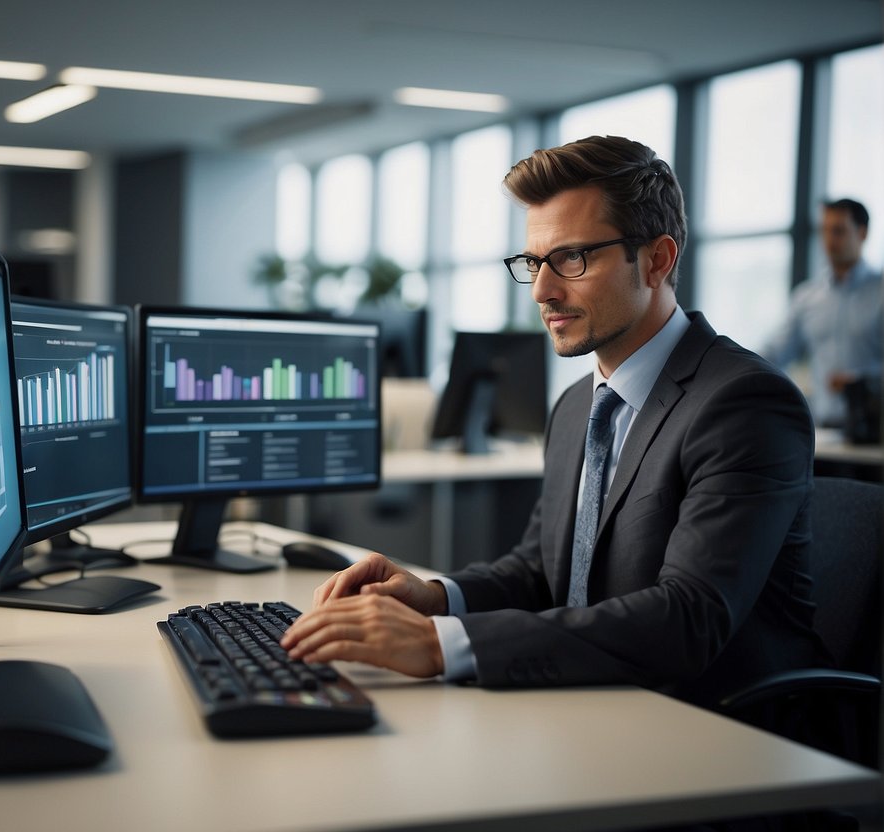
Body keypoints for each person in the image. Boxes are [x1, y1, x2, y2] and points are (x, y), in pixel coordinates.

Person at [282, 135, 829, 710]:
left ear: (657, 260)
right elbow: (544, 572)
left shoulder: (744, 402)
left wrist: (442, 644)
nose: (542, 290)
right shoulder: (576, 406)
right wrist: (438, 598)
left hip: (720, 730)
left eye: (573, 258)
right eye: (533, 262)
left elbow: (688, 618)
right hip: (595, 701)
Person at [761, 198, 882, 429]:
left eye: (838, 231)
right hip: (823, 430)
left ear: (863, 233)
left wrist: (863, 381)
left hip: (874, 436)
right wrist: (733, 362)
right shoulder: (807, 297)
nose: (829, 241)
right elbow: (776, 353)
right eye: (824, 231)